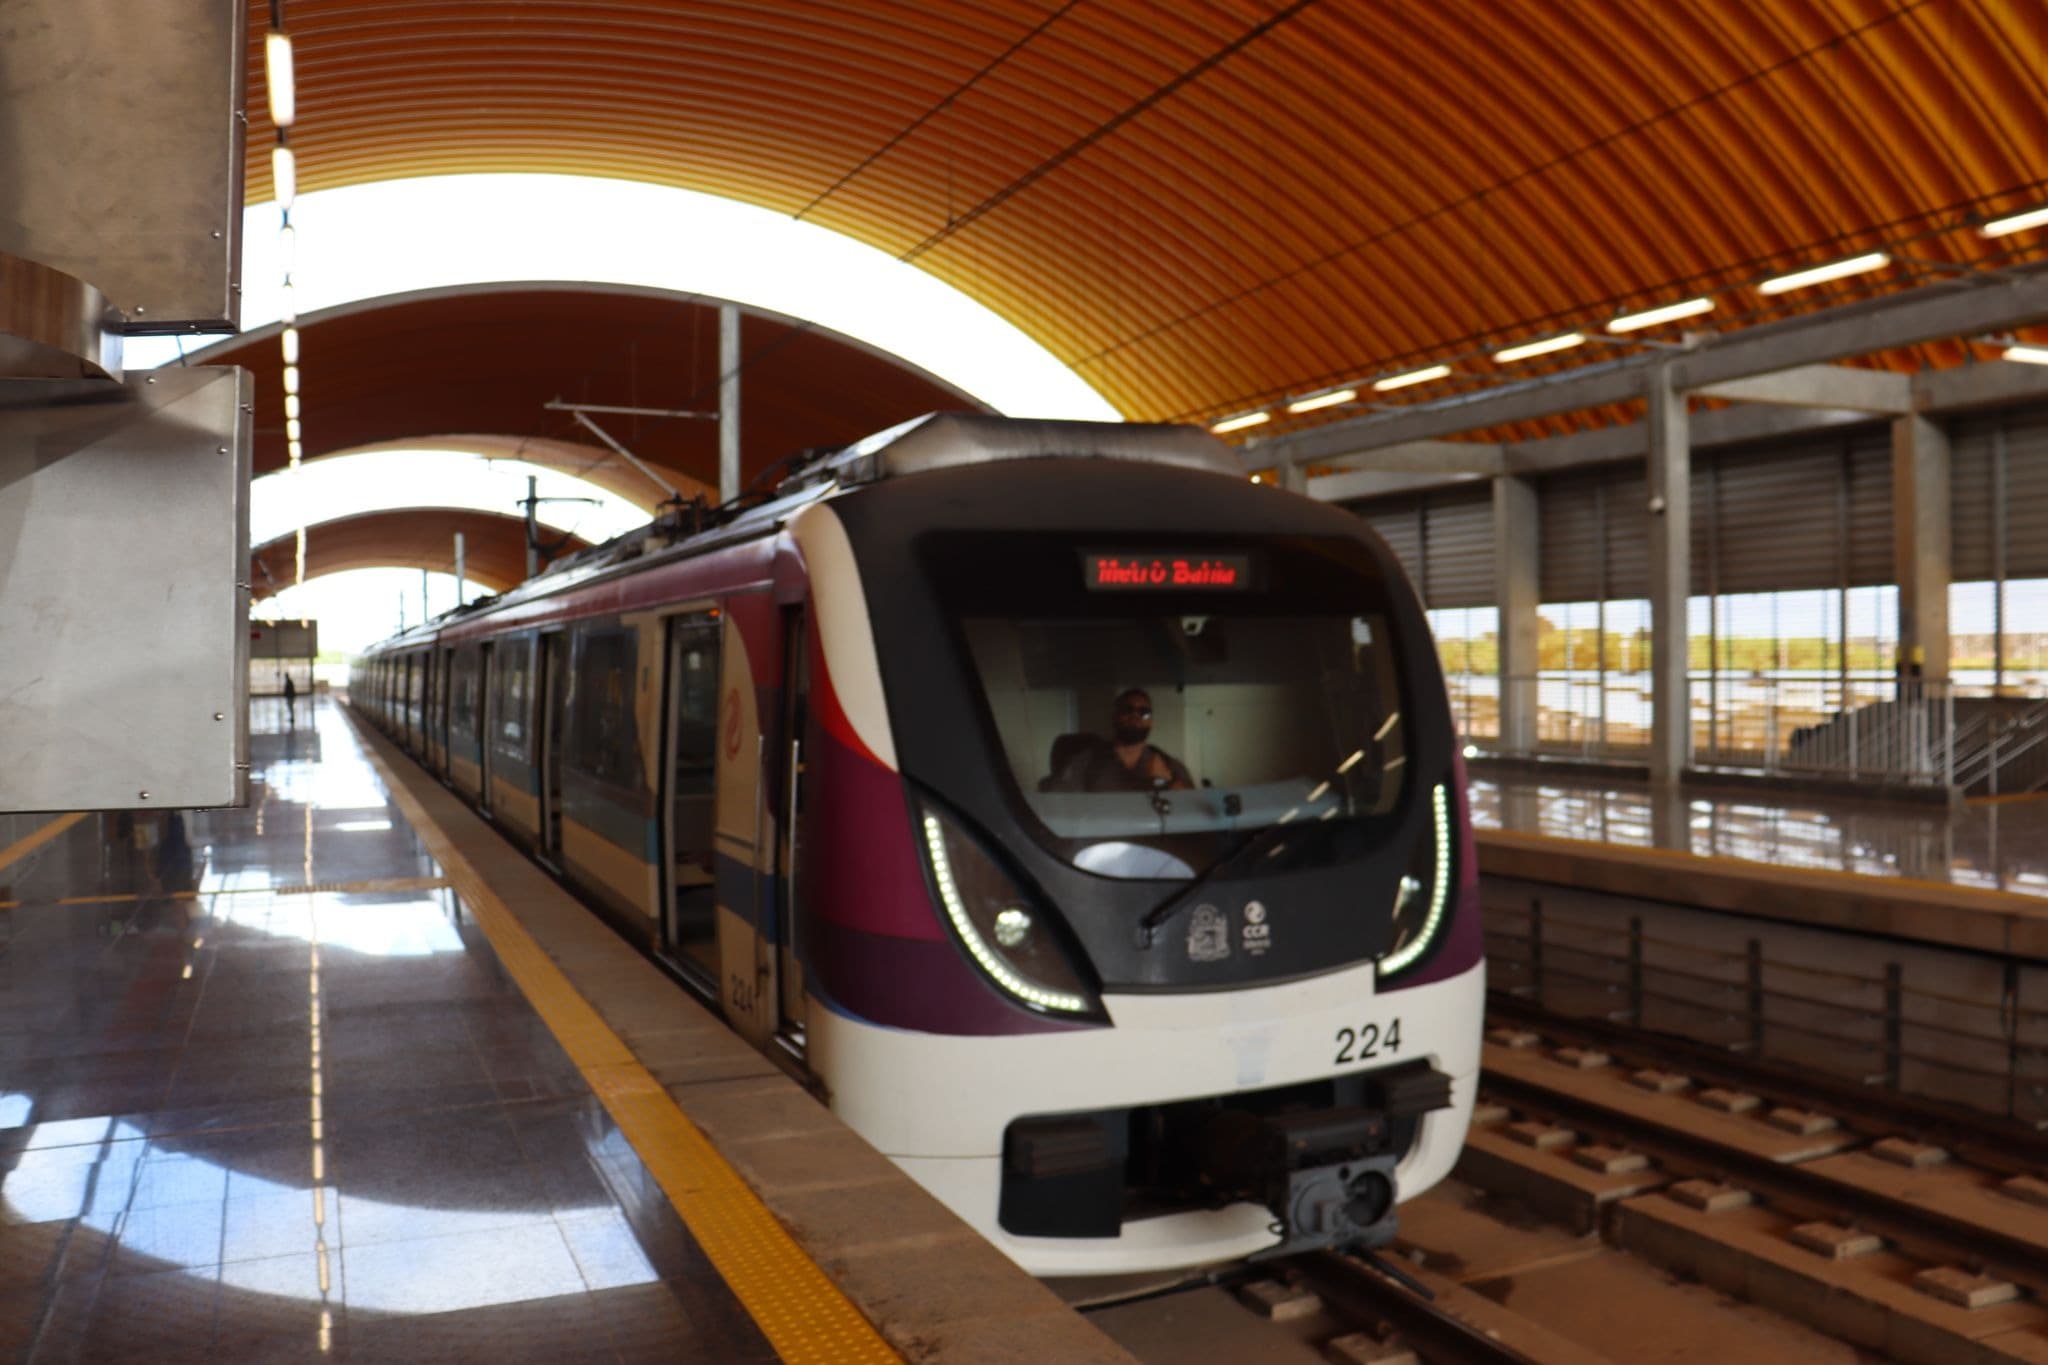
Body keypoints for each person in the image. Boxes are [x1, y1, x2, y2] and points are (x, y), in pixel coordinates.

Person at [1053, 688, 1195, 793]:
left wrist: (1166, 782)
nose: (1135, 716)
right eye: (1127, 710)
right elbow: (1060, 803)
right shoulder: (1086, 762)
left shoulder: (1169, 764)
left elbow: (1192, 807)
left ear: (1151, 721)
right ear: (1115, 716)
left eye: (1144, 713)